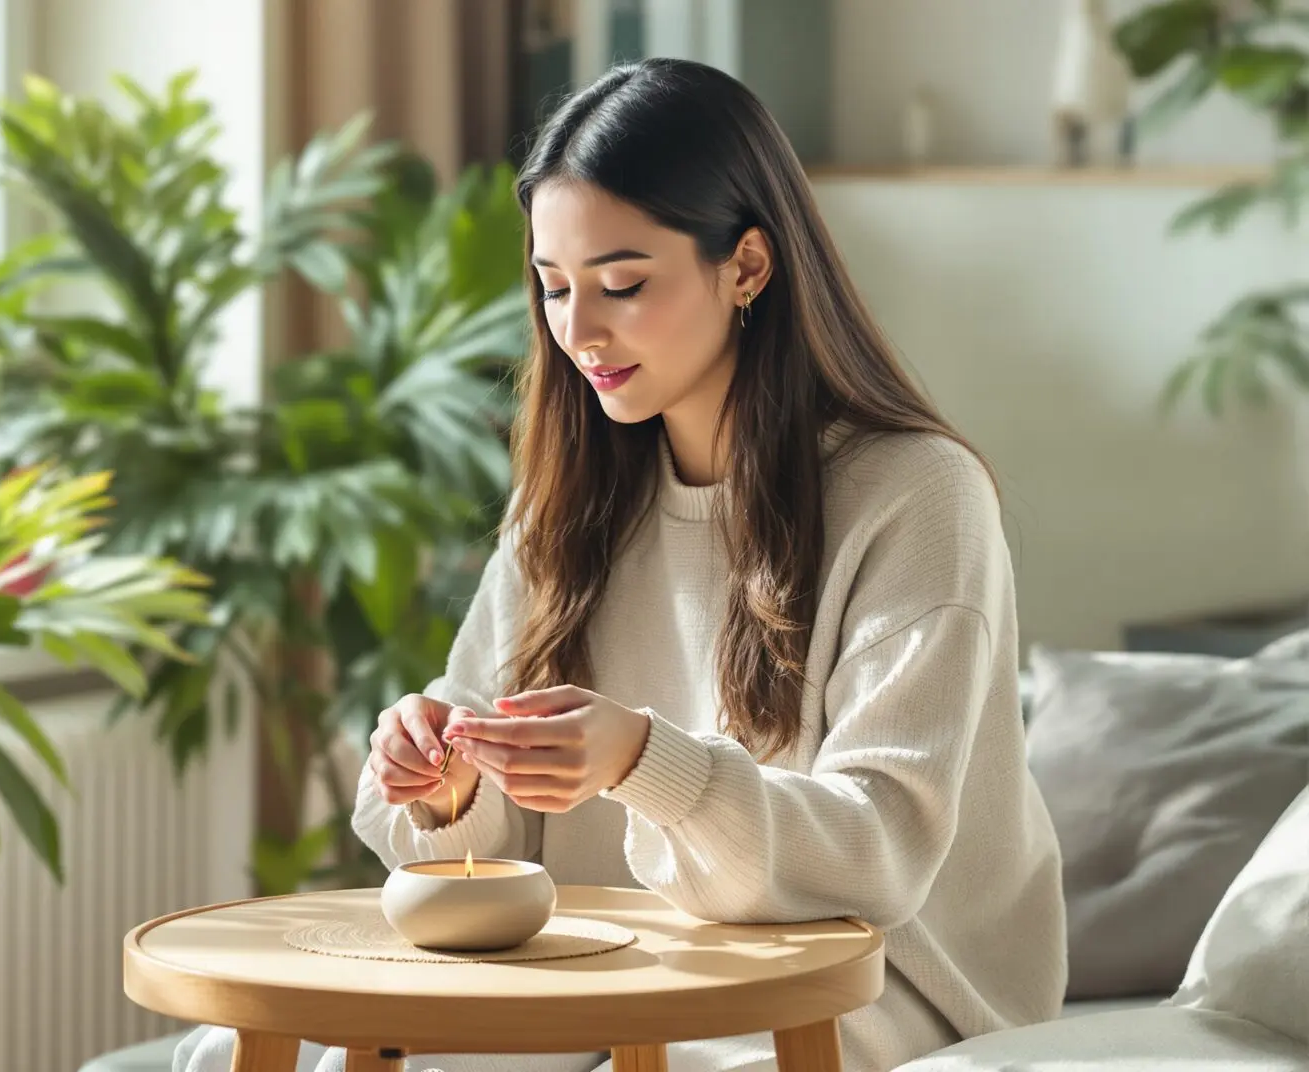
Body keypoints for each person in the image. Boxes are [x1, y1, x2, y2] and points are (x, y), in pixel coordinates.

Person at [175, 57, 1066, 1072]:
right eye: (554, 288)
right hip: (608, 963)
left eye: (623, 284)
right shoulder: (573, 498)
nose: (579, 331)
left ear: (748, 268)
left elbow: (880, 852)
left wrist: (646, 761)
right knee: (253, 1056)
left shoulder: (916, 494)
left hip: (865, 984)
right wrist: (444, 779)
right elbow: (487, 842)